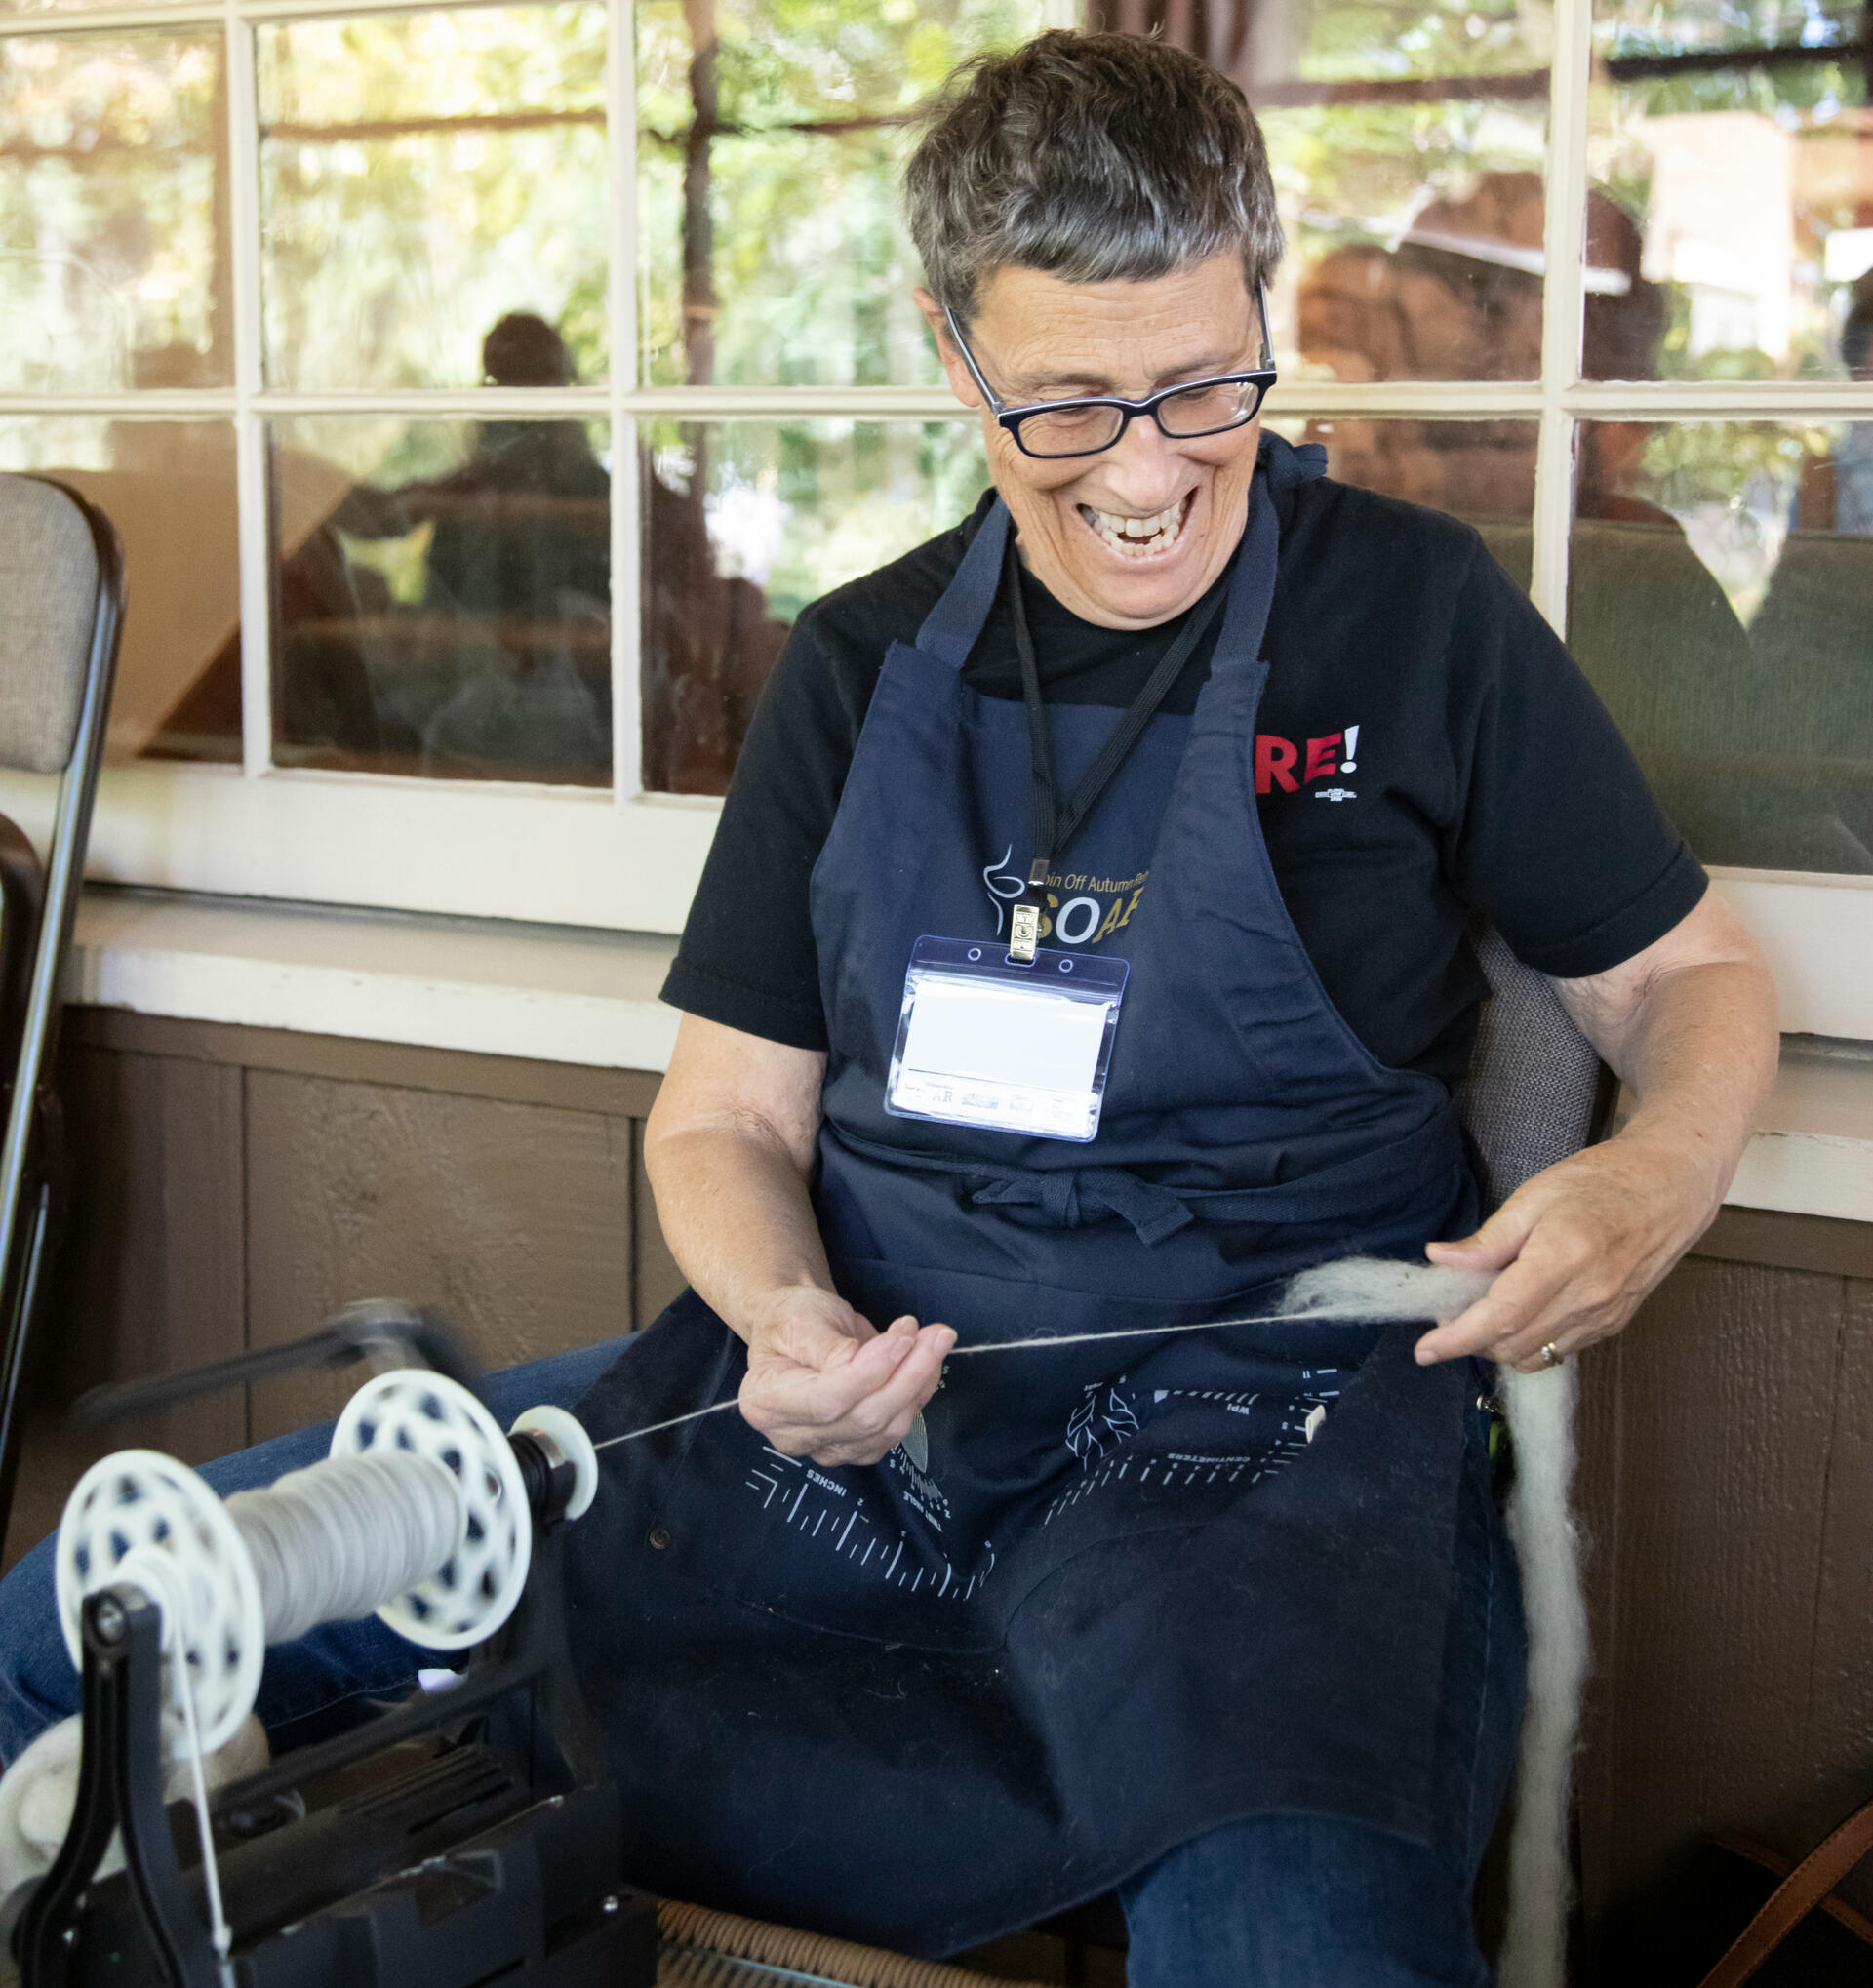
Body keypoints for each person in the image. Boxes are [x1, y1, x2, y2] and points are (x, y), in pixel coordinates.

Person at [0, 33, 1778, 1987]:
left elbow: (1686, 978)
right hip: (859, 1416)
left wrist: (1655, 1175)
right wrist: (785, 1314)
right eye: (1070, 403)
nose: (1151, 469)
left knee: (1299, 1942)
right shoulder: (856, 664)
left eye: (1205, 382)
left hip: (1265, 1452)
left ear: (1259, 306)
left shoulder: (1418, 620)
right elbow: (725, 1120)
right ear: (954, 355)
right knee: (90, 1609)